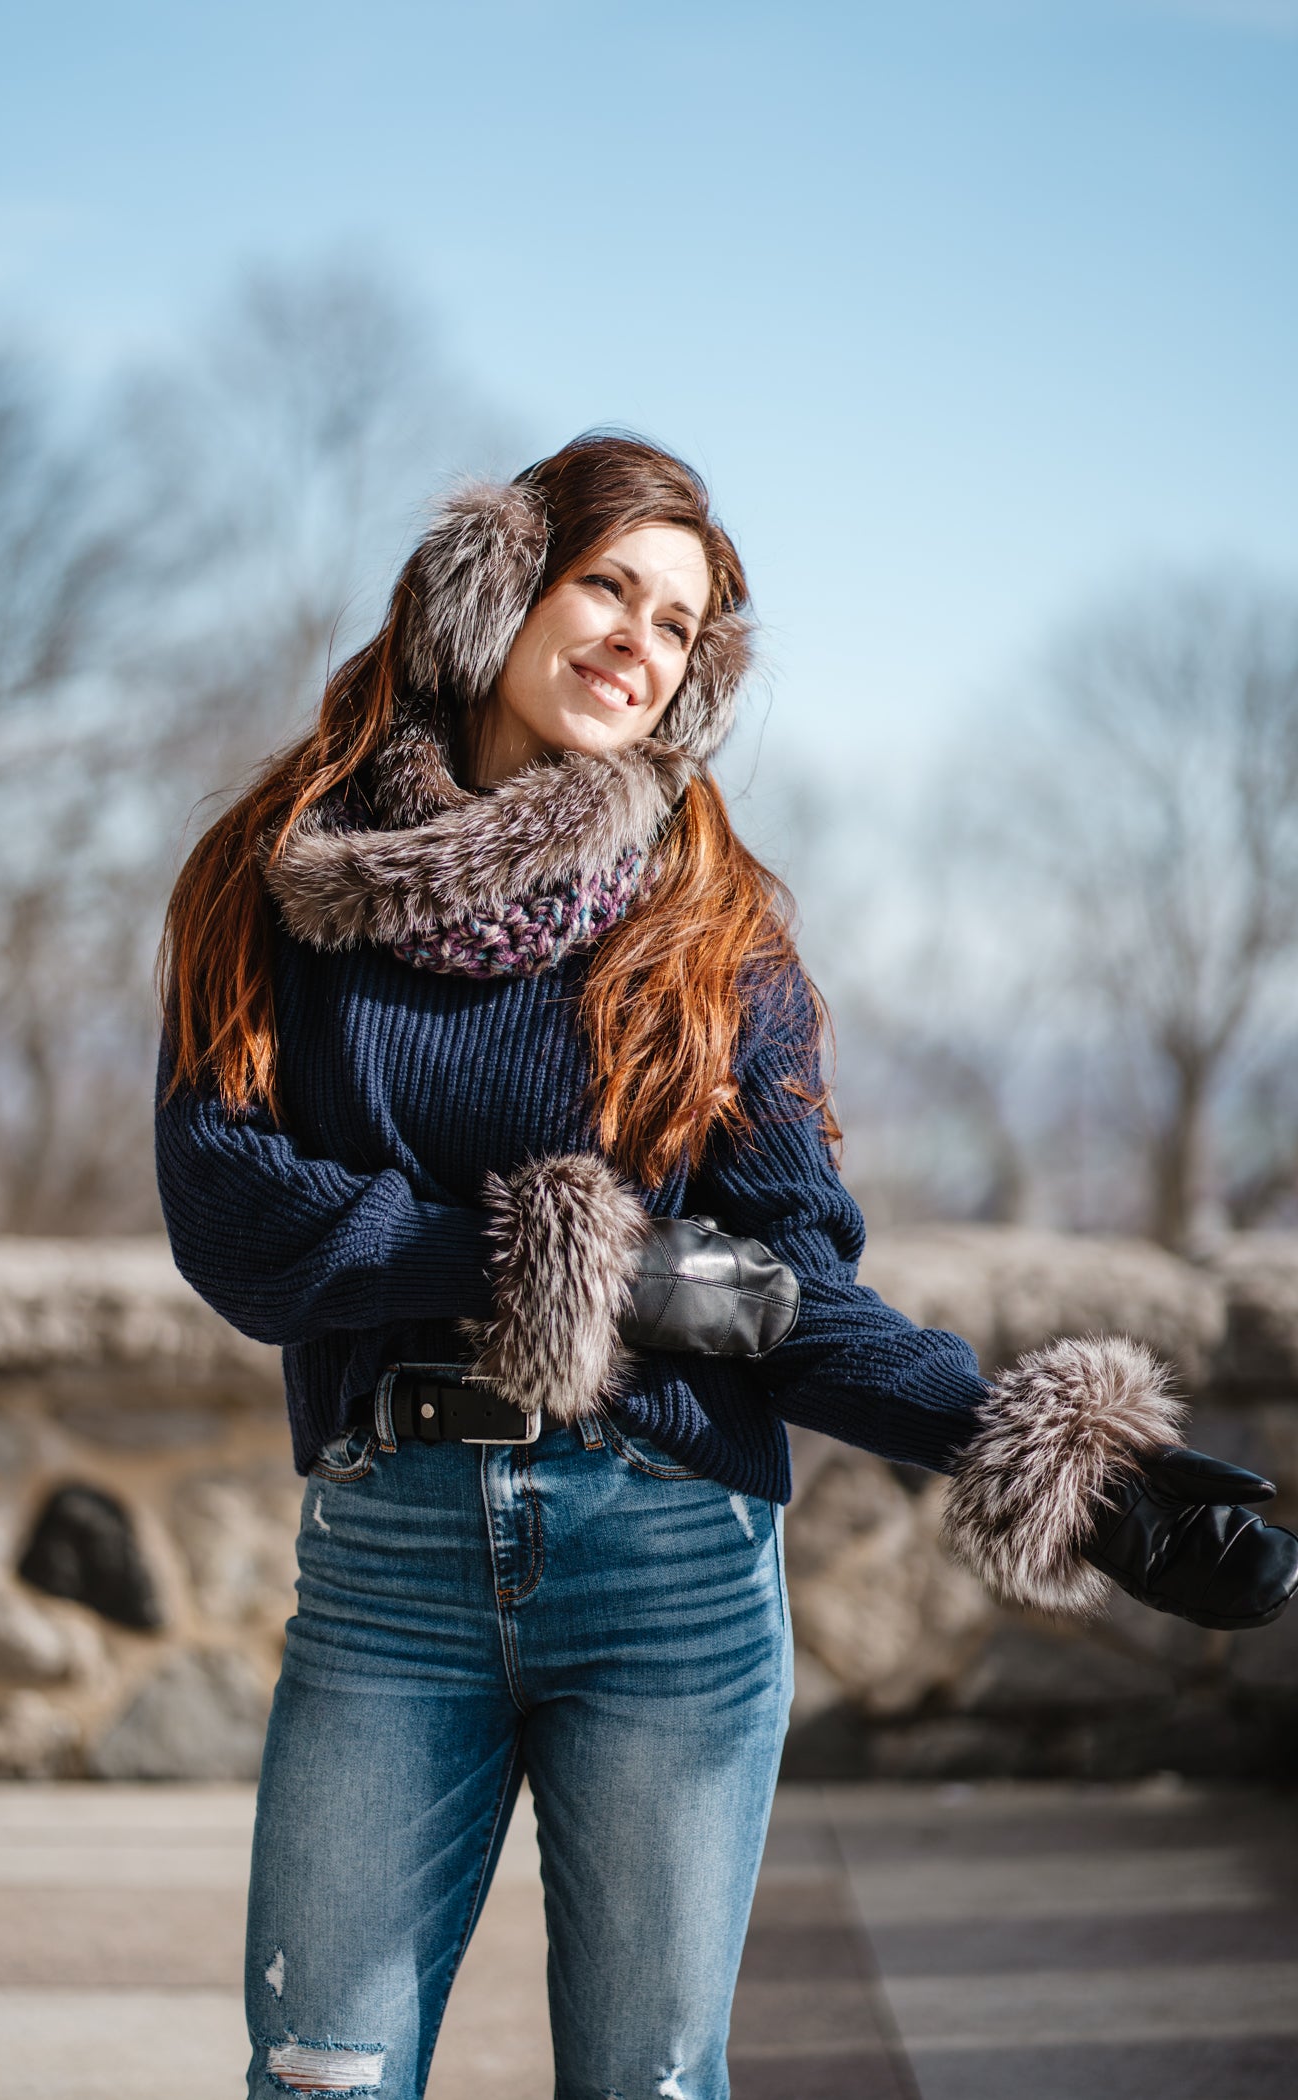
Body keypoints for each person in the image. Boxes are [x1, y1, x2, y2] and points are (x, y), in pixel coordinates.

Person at [155, 433, 1297, 2100]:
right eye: (606, 583)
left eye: (678, 623)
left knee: (652, 2087)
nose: (637, 636)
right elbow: (235, 1216)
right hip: (392, 1554)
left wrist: (1071, 1473)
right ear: (496, 586)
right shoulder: (275, 884)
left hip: (670, 1563)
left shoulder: (711, 929)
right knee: (320, 2072)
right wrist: (578, 1272)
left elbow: (784, 1296)